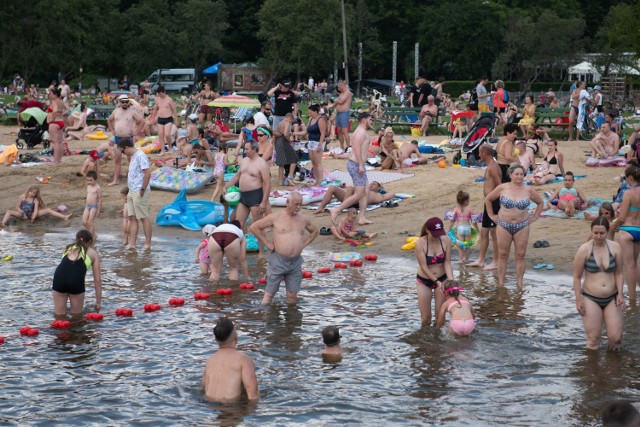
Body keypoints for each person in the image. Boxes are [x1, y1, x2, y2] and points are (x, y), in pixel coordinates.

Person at [250, 192, 319, 305]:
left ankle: (291, 321)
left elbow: (314, 231)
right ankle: (266, 319)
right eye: (296, 204)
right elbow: (254, 227)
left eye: (300, 204)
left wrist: (303, 244)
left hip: (295, 262)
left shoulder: (303, 219)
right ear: (288, 203)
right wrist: (267, 243)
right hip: (278, 260)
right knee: (269, 294)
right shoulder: (276, 217)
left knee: (292, 296)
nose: (298, 207)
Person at [484, 163, 544, 288]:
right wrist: (491, 215)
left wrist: (534, 217)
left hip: (522, 225)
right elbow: (488, 199)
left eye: (521, 174)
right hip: (503, 224)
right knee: (503, 255)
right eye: (516, 174)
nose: (519, 176)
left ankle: (520, 284)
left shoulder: (528, 189)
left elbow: (540, 203)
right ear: (510, 175)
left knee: (520, 255)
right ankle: (501, 284)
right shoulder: (502, 188)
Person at [573, 217, 624, 350]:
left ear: (608, 232)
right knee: (593, 340)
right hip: (590, 298)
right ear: (591, 231)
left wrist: (620, 294)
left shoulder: (615, 247)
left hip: (612, 297)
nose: (598, 236)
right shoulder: (584, 250)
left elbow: (619, 273)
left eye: (602, 233)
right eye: (595, 233)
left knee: (615, 339)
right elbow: (577, 277)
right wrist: (578, 300)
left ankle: (612, 368)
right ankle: (591, 369)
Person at [329, 112, 373, 225]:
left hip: (357, 164)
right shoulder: (360, 132)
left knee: (366, 190)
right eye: (370, 119)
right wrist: (361, 165)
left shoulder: (362, 131)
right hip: (356, 165)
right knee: (359, 193)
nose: (372, 121)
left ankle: (362, 217)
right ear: (364, 120)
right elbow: (357, 148)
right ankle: (336, 210)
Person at [202, 317, 259, 403]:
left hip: (209, 406)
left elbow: (204, 387)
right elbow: (252, 395)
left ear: (215, 339)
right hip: (232, 408)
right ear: (235, 337)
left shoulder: (210, 361)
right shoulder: (244, 360)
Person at [52, 229, 102, 316]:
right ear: (90, 242)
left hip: (59, 278)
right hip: (75, 281)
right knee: (77, 317)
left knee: (59, 316)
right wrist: (98, 303)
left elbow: (67, 268)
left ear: (77, 239)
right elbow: (97, 281)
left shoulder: (68, 248)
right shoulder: (92, 253)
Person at [225, 141, 270, 237]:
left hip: (255, 196)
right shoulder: (245, 160)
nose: (244, 151)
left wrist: (264, 202)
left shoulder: (261, 163)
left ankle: (262, 250)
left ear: (254, 149)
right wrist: (226, 186)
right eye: (244, 149)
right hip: (243, 196)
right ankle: (243, 244)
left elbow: (267, 183)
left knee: (258, 227)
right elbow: (237, 176)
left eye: (247, 149)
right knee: (238, 224)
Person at [414, 217, 454, 325]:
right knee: (426, 318)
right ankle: (425, 340)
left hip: (442, 278)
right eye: (434, 234)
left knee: (439, 316)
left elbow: (447, 261)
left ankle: (438, 338)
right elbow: (424, 267)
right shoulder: (420, 243)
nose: (437, 237)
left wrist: (451, 280)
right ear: (427, 230)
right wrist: (436, 281)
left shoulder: (446, 240)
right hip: (424, 280)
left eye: (439, 233)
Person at [468, 145, 502, 270]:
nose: (478, 155)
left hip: (494, 202)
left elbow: (500, 186)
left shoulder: (493, 167)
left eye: (479, 153)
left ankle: (496, 261)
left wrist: (496, 203)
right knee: (484, 232)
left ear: (484, 153)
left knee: (493, 232)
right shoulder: (490, 165)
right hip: (488, 202)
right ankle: (481, 260)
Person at [118, 138, 152, 250]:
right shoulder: (132, 157)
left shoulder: (140, 155)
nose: (123, 154)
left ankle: (147, 243)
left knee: (143, 217)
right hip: (132, 191)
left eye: (123, 151)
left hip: (139, 190)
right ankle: (132, 243)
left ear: (127, 147)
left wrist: (142, 189)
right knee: (132, 217)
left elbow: (147, 173)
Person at [612, 165, 640, 301]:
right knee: (635, 263)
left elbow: (622, 217)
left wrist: (613, 225)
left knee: (629, 265)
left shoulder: (628, 193)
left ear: (630, 177)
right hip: (639, 229)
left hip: (628, 229)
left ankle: (633, 301)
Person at [107, 94, 144, 187]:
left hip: (128, 139)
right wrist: (112, 130)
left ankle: (133, 178)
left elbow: (142, 121)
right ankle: (116, 180)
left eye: (126, 102)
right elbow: (109, 120)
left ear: (129, 102)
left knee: (131, 160)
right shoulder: (116, 111)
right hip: (118, 138)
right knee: (117, 159)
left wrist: (136, 132)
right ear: (119, 102)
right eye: (122, 102)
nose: (124, 103)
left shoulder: (132, 112)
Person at [1, 185, 72, 227]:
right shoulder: (22, 197)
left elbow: (35, 210)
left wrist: (33, 218)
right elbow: (17, 206)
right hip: (23, 214)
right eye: (31, 192)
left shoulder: (35, 200)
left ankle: (64, 217)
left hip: (31, 214)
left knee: (48, 209)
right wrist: (20, 211)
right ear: (28, 191)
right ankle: (3, 223)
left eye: (34, 193)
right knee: (8, 211)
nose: (32, 194)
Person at [314, 181, 395, 213]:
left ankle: (341, 208)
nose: (371, 185)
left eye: (374, 184)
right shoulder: (364, 189)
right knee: (332, 188)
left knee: (350, 187)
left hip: (356, 202)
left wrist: (384, 189)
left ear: (378, 188)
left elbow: (392, 194)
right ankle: (321, 207)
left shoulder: (377, 195)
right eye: (370, 183)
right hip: (350, 197)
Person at [448, 190, 478, 264]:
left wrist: (448, 230)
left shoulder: (456, 209)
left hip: (460, 228)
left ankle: (461, 260)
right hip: (467, 228)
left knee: (460, 245)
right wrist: (477, 230)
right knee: (467, 245)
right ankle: (466, 260)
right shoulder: (469, 209)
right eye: (468, 200)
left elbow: (452, 221)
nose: (468, 201)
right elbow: (474, 221)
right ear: (464, 201)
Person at [274, 113, 299, 186]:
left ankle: (281, 181)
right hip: (283, 141)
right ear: (289, 118)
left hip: (278, 141)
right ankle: (290, 177)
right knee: (294, 158)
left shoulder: (279, 123)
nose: (291, 122)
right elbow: (285, 134)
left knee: (281, 163)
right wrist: (289, 140)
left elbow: (277, 132)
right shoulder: (287, 123)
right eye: (291, 120)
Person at [152, 86, 178, 153]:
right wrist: (153, 117)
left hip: (168, 118)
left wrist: (176, 119)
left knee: (167, 134)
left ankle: (170, 148)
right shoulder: (158, 99)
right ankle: (162, 151)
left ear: (164, 92)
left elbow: (174, 110)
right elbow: (155, 109)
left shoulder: (169, 99)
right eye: (159, 94)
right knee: (160, 135)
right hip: (160, 118)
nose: (160, 95)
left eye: (161, 94)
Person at [306, 104, 327, 186]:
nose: (309, 114)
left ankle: (320, 181)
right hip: (311, 142)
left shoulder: (320, 120)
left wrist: (320, 145)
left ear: (315, 111)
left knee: (318, 162)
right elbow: (306, 131)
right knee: (313, 162)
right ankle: (317, 179)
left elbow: (323, 133)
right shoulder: (311, 119)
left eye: (310, 112)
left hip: (318, 142)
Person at [47, 87, 66, 166]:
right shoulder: (60, 101)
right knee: (60, 142)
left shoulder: (54, 101)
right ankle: (59, 160)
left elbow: (54, 111)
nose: (49, 95)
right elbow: (64, 109)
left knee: (55, 142)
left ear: (55, 94)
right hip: (61, 122)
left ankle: (55, 161)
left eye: (50, 94)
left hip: (55, 123)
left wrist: (51, 119)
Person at [82, 171, 102, 239]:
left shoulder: (97, 187)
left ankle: (91, 237)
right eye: (88, 180)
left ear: (95, 179)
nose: (89, 182)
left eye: (91, 180)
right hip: (87, 205)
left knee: (90, 222)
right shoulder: (88, 186)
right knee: (84, 222)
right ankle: (93, 234)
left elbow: (99, 199)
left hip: (94, 206)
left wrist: (98, 210)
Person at [334, 80, 352, 151]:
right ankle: (341, 146)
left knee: (345, 131)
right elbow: (338, 102)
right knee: (339, 131)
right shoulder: (342, 93)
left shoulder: (348, 93)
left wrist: (335, 102)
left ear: (342, 86)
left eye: (339, 87)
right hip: (339, 113)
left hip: (344, 113)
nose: (338, 89)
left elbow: (340, 101)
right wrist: (334, 104)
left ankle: (348, 147)